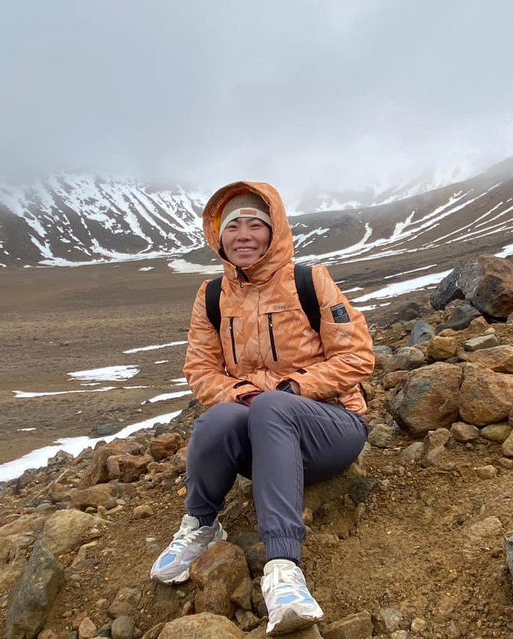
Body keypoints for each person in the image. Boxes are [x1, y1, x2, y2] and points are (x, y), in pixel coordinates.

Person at [150, 181, 374, 635]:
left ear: (275, 232)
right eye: (233, 226)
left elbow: (358, 357)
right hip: (263, 434)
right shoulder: (212, 295)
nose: (244, 234)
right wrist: (242, 396)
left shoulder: (311, 281)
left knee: (272, 406)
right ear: (219, 236)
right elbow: (200, 370)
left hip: (332, 426)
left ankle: (284, 567)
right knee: (219, 417)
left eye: (256, 224)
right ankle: (201, 523)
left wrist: (295, 388)